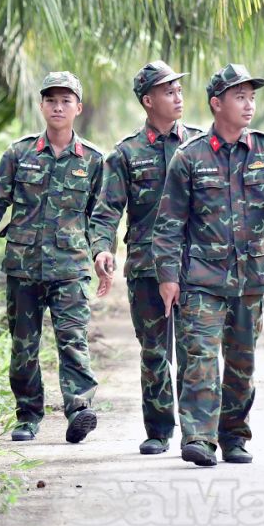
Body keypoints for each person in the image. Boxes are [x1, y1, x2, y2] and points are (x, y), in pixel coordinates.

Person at [152, 63, 264, 467]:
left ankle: (234, 437)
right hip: (202, 278)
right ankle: (199, 440)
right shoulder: (190, 158)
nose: (249, 105)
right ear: (216, 104)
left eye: (252, 97)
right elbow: (169, 224)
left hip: (252, 279)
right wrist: (168, 278)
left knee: (242, 363)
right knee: (201, 357)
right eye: (240, 97)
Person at [0, 71, 103, 444]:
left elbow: (101, 216)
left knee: (73, 339)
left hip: (70, 268)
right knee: (24, 344)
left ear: (78, 108)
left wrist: (104, 252)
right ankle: (28, 415)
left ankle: (80, 409)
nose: (58, 106)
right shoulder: (19, 154)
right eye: (51, 100)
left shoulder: (93, 161)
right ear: (41, 106)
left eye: (66, 100)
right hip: (23, 267)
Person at [88, 61, 201, 455]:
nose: (178, 97)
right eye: (168, 92)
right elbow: (106, 210)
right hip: (146, 269)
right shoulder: (126, 154)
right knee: (154, 352)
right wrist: (103, 248)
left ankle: (196, 432)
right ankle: (158, 430)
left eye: (179, 90)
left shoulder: (200, 145)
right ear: (148, 100)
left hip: (194, 267)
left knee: (194, 352)